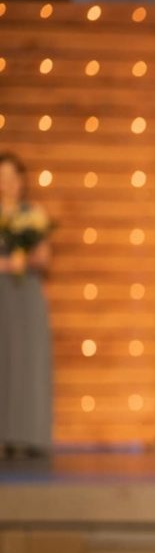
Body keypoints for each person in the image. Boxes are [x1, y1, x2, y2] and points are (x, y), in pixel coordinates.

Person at [0, 152, 53, 457]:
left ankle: (27, 435)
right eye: (1, 178)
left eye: (11, 177)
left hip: (26, 295)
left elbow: (44, 257)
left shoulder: (33, 213)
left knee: (26, 363)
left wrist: (23, 260)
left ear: (21, 181)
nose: (6, 184)